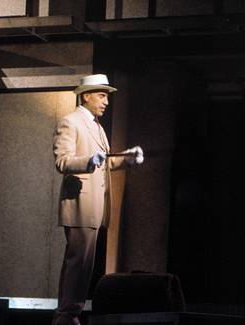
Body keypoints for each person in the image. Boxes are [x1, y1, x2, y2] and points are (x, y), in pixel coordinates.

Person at [52, 74, 143, 325]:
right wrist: (87, 161)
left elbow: (105, 161)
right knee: (78, 262)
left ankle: (71, 313)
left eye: (106, 96)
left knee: (84, 265)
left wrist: (128, 157)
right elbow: (62, 161)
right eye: (101, 95)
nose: (106, 101)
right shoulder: (71, 122)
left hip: (94, 204)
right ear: (86, 96)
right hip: (80, 203)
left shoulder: (96, 125)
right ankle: (66, 315)